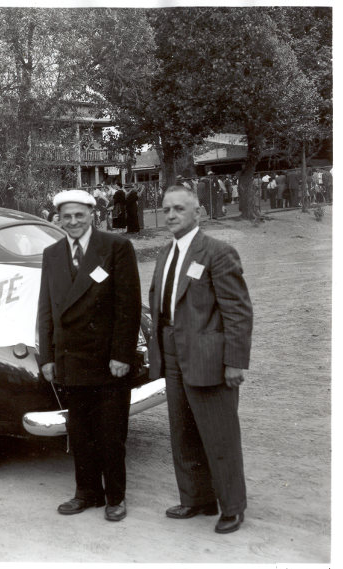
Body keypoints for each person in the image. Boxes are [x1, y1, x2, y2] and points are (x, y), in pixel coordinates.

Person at [147, 185, 253, 534]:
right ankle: (196, 499)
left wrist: (235, 362)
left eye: (179, 208)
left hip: (209, 358)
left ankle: (232, 506)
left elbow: (237, 312)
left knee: (219, 435)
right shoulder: (164, 254)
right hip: (173, 356)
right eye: (167, 209)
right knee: (183, 432)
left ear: (199, 213)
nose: (172, 215)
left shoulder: (218, 252)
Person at [37, 189, 141, 522]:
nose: (73, 222)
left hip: (107, 361)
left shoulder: (115, 248)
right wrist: (48, 358)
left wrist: (122, 354)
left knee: (111, 433)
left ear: (91, 215)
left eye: (79, 215)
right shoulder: (52, 254)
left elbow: (128, 306)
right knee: (80, 433)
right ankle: (86, 493)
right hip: (69, 360)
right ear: (58, 218)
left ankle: (115, 497)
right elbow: (46, 310)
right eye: (66, 216)